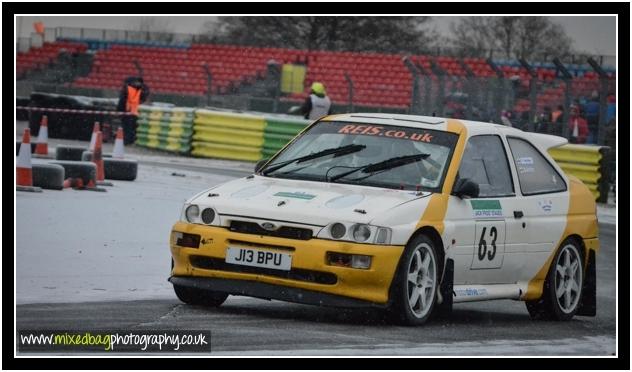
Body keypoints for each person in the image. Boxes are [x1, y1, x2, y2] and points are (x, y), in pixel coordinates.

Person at [117, 76, 150, 145]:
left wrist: (119, 110)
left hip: (128, 110)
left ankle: (127, 141)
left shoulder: (128, 88)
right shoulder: (143, 88)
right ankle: (129, 140)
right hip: (134, 110)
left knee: (127, 126)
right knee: (131, 127)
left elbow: (122, 100)